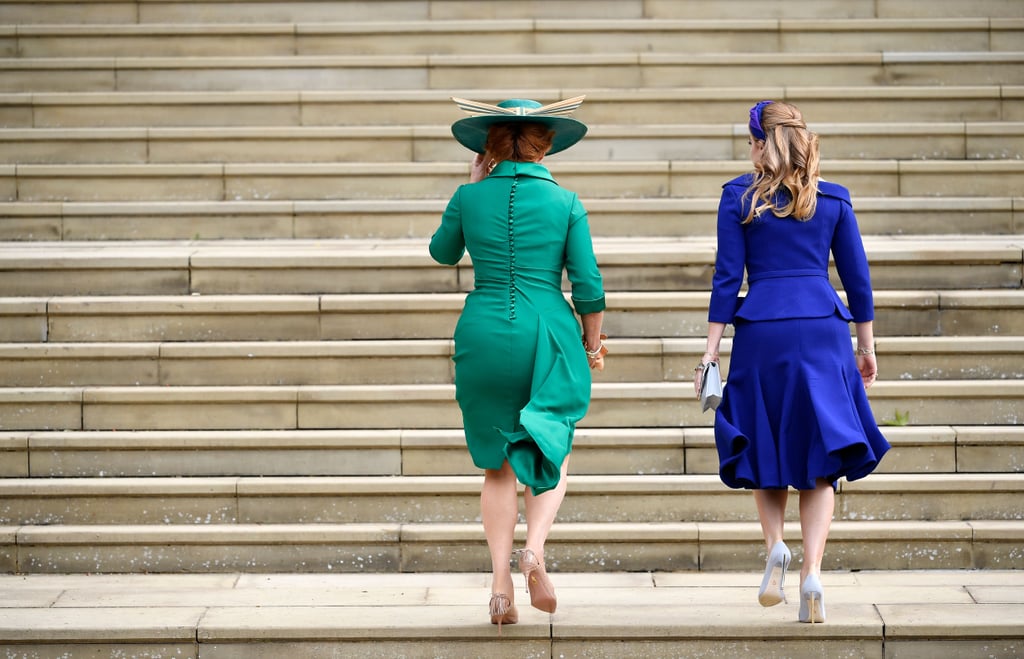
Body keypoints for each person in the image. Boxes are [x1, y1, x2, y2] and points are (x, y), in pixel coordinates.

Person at [696, 100, 890, 624]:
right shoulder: (832, 199)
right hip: (823, 330)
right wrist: (866, 347)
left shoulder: (739, 197)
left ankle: (776, 547)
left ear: (762, 141)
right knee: (819, 453)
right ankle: (812, 574)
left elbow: (725, 279)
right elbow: (859, 281)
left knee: (764, 441)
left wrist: (711, 350)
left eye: (750, 139)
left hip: (762, 332)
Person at [429, 96, 606, 632]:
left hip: (482, 332)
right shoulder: (567, 202)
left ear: (489, 147)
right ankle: (534, 552)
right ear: (545, 145)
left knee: (497, 464)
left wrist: (471, 185)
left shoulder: (469, 196)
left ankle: (499, 586)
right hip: (547, 332)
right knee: (553, 443)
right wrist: (593, 346)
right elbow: (590, 288)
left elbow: (442, 252)